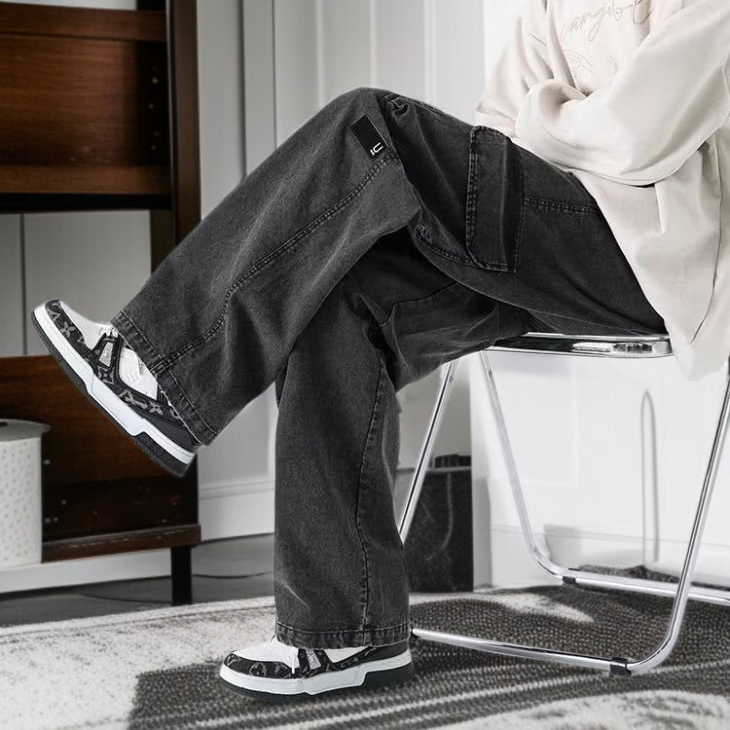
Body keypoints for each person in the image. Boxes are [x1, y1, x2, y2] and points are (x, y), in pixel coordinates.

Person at [31, 0, 729, 704]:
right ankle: (344, 629)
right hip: (539, 242)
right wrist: (566, 125)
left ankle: (161, 372)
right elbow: (497, 131)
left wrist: (547, 116)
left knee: (372, 122)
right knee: (343, 293)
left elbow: (636, 138)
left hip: (642, 264)